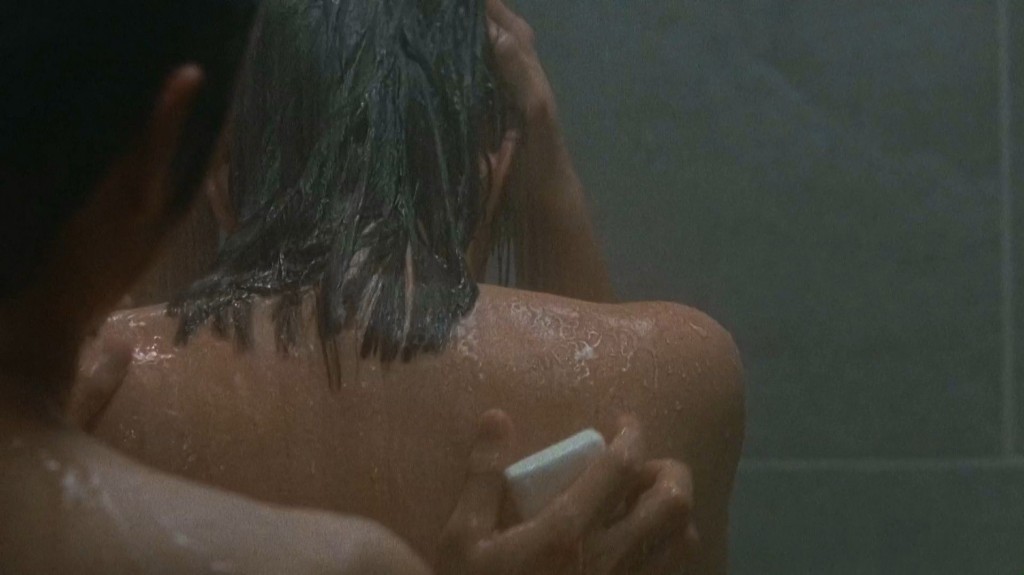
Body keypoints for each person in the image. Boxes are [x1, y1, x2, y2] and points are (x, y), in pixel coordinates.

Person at [0, 2, 698, 573]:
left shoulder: (105, 394)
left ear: (219, 184)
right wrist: (543, 168)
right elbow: (610, 375)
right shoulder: (690, 371)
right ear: (489, 176)